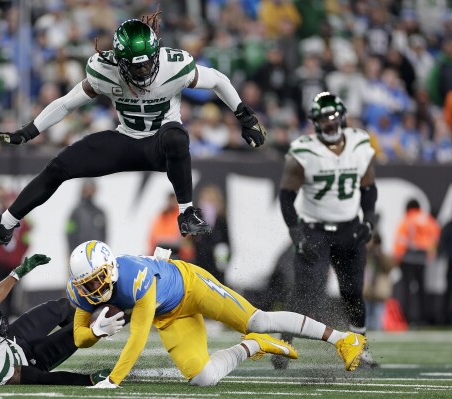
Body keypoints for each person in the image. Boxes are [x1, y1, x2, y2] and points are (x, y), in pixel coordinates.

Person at [0, 10, 267, 245]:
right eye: (135, 66)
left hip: (161, 144)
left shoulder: (175, 66)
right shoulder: (104, 71)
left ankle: (186, 212)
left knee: (176, 136)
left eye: (147, 63)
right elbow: (67, 103)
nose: (144, 71)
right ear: (119, 62)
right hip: (126, 141)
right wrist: (28, 131)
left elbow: (218, 81)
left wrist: (245, 116)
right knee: (58, 166)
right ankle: (5, 224)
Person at [66, 240, 367, 389]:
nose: (94, 287)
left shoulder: (135, 276)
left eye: (97, 277)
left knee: (258, 319)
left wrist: (114, 381)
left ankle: (344, 339)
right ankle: (254, 345)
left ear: (111, 268)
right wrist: (95, 332)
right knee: (203, 378)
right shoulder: (82, 293)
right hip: (170, 316)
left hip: (191, 286)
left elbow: (139, 335)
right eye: (87, 283)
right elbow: (79, 339)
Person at [275, 92, 378, 369]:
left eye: (333, 117)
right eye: (323, 118)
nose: (330, 123)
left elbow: (368, 187)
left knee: (353, 291)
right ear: (315, 122)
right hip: (315, 230)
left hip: (349, 230)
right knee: (305, 290)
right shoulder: (304, 150)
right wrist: (297, 235)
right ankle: (284, 342)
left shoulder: (359, 143)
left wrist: (368, 221)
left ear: (342, 117)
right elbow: (286, 196)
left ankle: (361, 346)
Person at [0, 253, 109, 386]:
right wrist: (88, 380)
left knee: (63, 306)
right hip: (30, 361)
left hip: (13, 338)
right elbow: (40, 378)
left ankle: (104, 306)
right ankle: (118, 315)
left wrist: (18, 273)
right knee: (81, 328)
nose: (0, 327)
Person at [392, 199, 440, 326]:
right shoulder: (429, 220)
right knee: (422, 290)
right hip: (423, 260)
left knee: (406, 289)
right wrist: (430, 255)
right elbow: (435, 239)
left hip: (408, 259)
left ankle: (406, 319)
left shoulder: (407, 220)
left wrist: (398, 258)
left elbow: (401, 241)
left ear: (408, 208)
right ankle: (424, 319)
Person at [191, 184, 230, 284]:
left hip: (216, 266)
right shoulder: (196, 218)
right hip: (199, 262)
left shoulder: (221, 220)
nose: (208, 204)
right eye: (205, 200)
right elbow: (193, 240)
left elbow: (226, 242)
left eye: (211, 201)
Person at [66, 179, 107, 253]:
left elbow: (104, 234)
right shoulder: (75, 212)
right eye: (87, 189)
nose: (89, 191)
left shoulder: (100, 212)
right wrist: (71, 252)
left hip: (97, 254)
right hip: (79, 254)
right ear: (82, 190)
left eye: (91, 188)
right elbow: (69, 233)